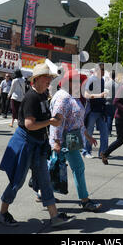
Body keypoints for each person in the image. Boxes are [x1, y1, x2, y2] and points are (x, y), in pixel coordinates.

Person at [0, 63, 76, 227]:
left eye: (50, 78)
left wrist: (52, 129)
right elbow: (29, 124)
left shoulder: (43, 95)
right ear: (38, 79)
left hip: (38, 144)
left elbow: (43, 122)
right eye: (47, 78)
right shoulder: (31, 97)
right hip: (26, 143)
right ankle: (2, 213)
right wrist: (50, 122)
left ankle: (54, 216)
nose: (49, 81)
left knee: (45, 179)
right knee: (17, 180)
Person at [49, 69, 102, 211]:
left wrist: (87, 135)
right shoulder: (63, 98)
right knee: (78, 167)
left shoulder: (72, 96)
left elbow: (78, 120)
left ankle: (41, 191)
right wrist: (57, 142)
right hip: (64, 139)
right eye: (77, 81)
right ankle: (85, 200)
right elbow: (56, 122)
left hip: (70, 138)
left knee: (52, 167)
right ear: (68, 82)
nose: (81, 83)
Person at [83, 63, 109, 158]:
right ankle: (86, 151)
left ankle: (102, 153)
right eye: (102, 71)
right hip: (92, 110)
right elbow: (86, 95)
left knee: (105, 133)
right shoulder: (92, 80)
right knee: (89, 131)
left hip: (101, 110)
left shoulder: (102, 80)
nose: (103, 74)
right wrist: (99, 95)